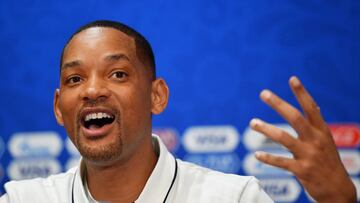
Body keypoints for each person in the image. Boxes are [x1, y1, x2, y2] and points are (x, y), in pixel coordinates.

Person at [0, 20, 356, 203]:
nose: (92, 90)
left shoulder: (232, 198)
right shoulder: (25, 199)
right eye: (75, 79)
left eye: (118, 74)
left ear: (157, 96)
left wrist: (338, 200)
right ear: (58, 108)